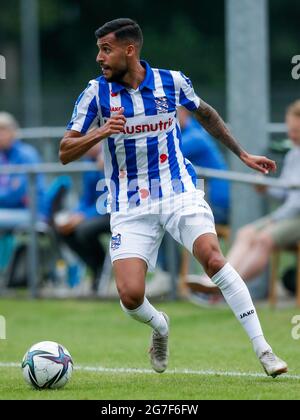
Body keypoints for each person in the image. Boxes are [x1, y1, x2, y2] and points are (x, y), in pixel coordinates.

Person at [59, 18, 287, 377]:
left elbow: (206, 114)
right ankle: (161, 326)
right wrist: (101, 131)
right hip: (129, 205)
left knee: (213, 258)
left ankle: (265, 350)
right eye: (99, 50)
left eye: (106, 49)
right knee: (131, 296)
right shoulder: (95, 93)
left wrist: (241, 154)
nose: (99, 58)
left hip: (178, 191)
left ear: (129, 50)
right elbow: (65, 150)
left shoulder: (172, 81)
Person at [187, 100, 300, 293]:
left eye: (296, 131)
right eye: (289, 129)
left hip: (293, 217)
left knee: (264, 239)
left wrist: (275, 219)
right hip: (288, 215)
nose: (291, 135)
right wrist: (265, 188)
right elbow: (286, 194)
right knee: (245, 233)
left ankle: (229, 286)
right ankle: (213, 279)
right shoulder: (293, 154)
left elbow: (296, 202)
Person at [54, 144, 110, 292]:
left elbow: (110, 198)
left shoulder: (112, 156)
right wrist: (75, 215)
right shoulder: (88, 163)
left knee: (84, 230)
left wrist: (84, 216)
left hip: (114, 213)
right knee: (63, 230)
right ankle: (96, 269)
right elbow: (87, 198)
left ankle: (100, 268)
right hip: (94, 213)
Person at [178, 106, 230, 224]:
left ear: (184, 111)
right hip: (209, 197)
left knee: (163, 214)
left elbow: (162, 154)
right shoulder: (193, 130)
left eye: (173, 112)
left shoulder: (195, 137)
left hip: (216, 202)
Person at [0, 112, 45, 229]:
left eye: (3, 130)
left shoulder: (27, 154)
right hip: (10, 209)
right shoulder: (3, 155)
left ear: (13, 132)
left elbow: (15, 194)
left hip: (31, 211)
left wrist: (7, 192)